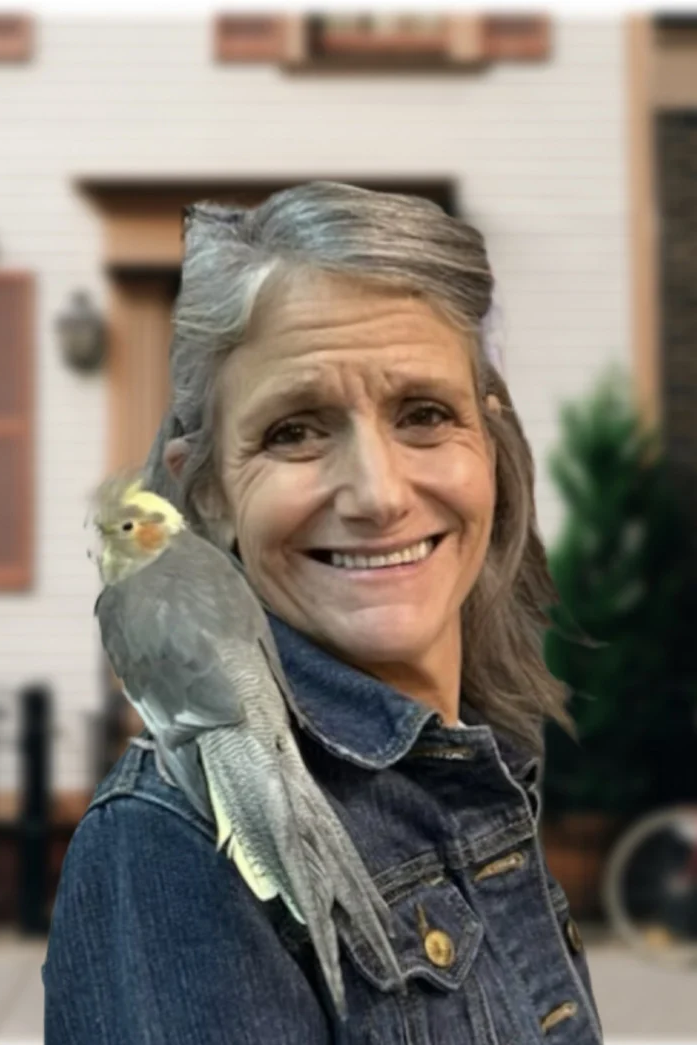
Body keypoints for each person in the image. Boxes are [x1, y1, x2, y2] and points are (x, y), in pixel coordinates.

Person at [43, 181, 604, 1044]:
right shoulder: (173, 846)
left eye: (423, 414)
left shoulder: (477, 768)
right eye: (294, 431)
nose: (378, 496)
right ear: (213, 494)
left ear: (487, 448)